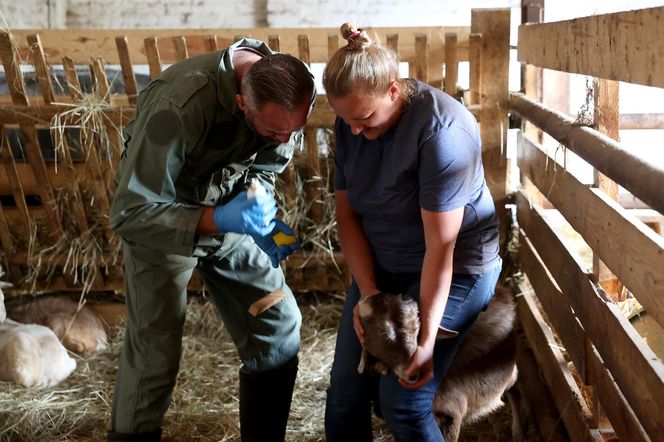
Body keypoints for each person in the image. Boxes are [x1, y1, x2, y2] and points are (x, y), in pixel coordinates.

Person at [107, 37, 316, 442]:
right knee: (155, 354)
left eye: (294, 129)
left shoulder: (289, 90)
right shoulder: (179, 106)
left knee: (279, 322)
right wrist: (215, 218)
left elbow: (268, 163)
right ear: (242, 104)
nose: (284, 138)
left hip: (229, 215)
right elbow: (130, 213)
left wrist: (257, 197)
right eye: (274, 130)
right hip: (162, 222)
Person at [323, 24, 502, 441]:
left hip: (454, 268)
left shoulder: (442, 132)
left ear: (392, 90)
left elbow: (441, 245)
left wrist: (425, 340)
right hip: (386, 262)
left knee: (404, 401)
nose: (353, 130)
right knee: (346, 393)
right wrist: (368, 296)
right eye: (345, 119)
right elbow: (347, 218)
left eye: (363, 118)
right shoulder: (351, 123)